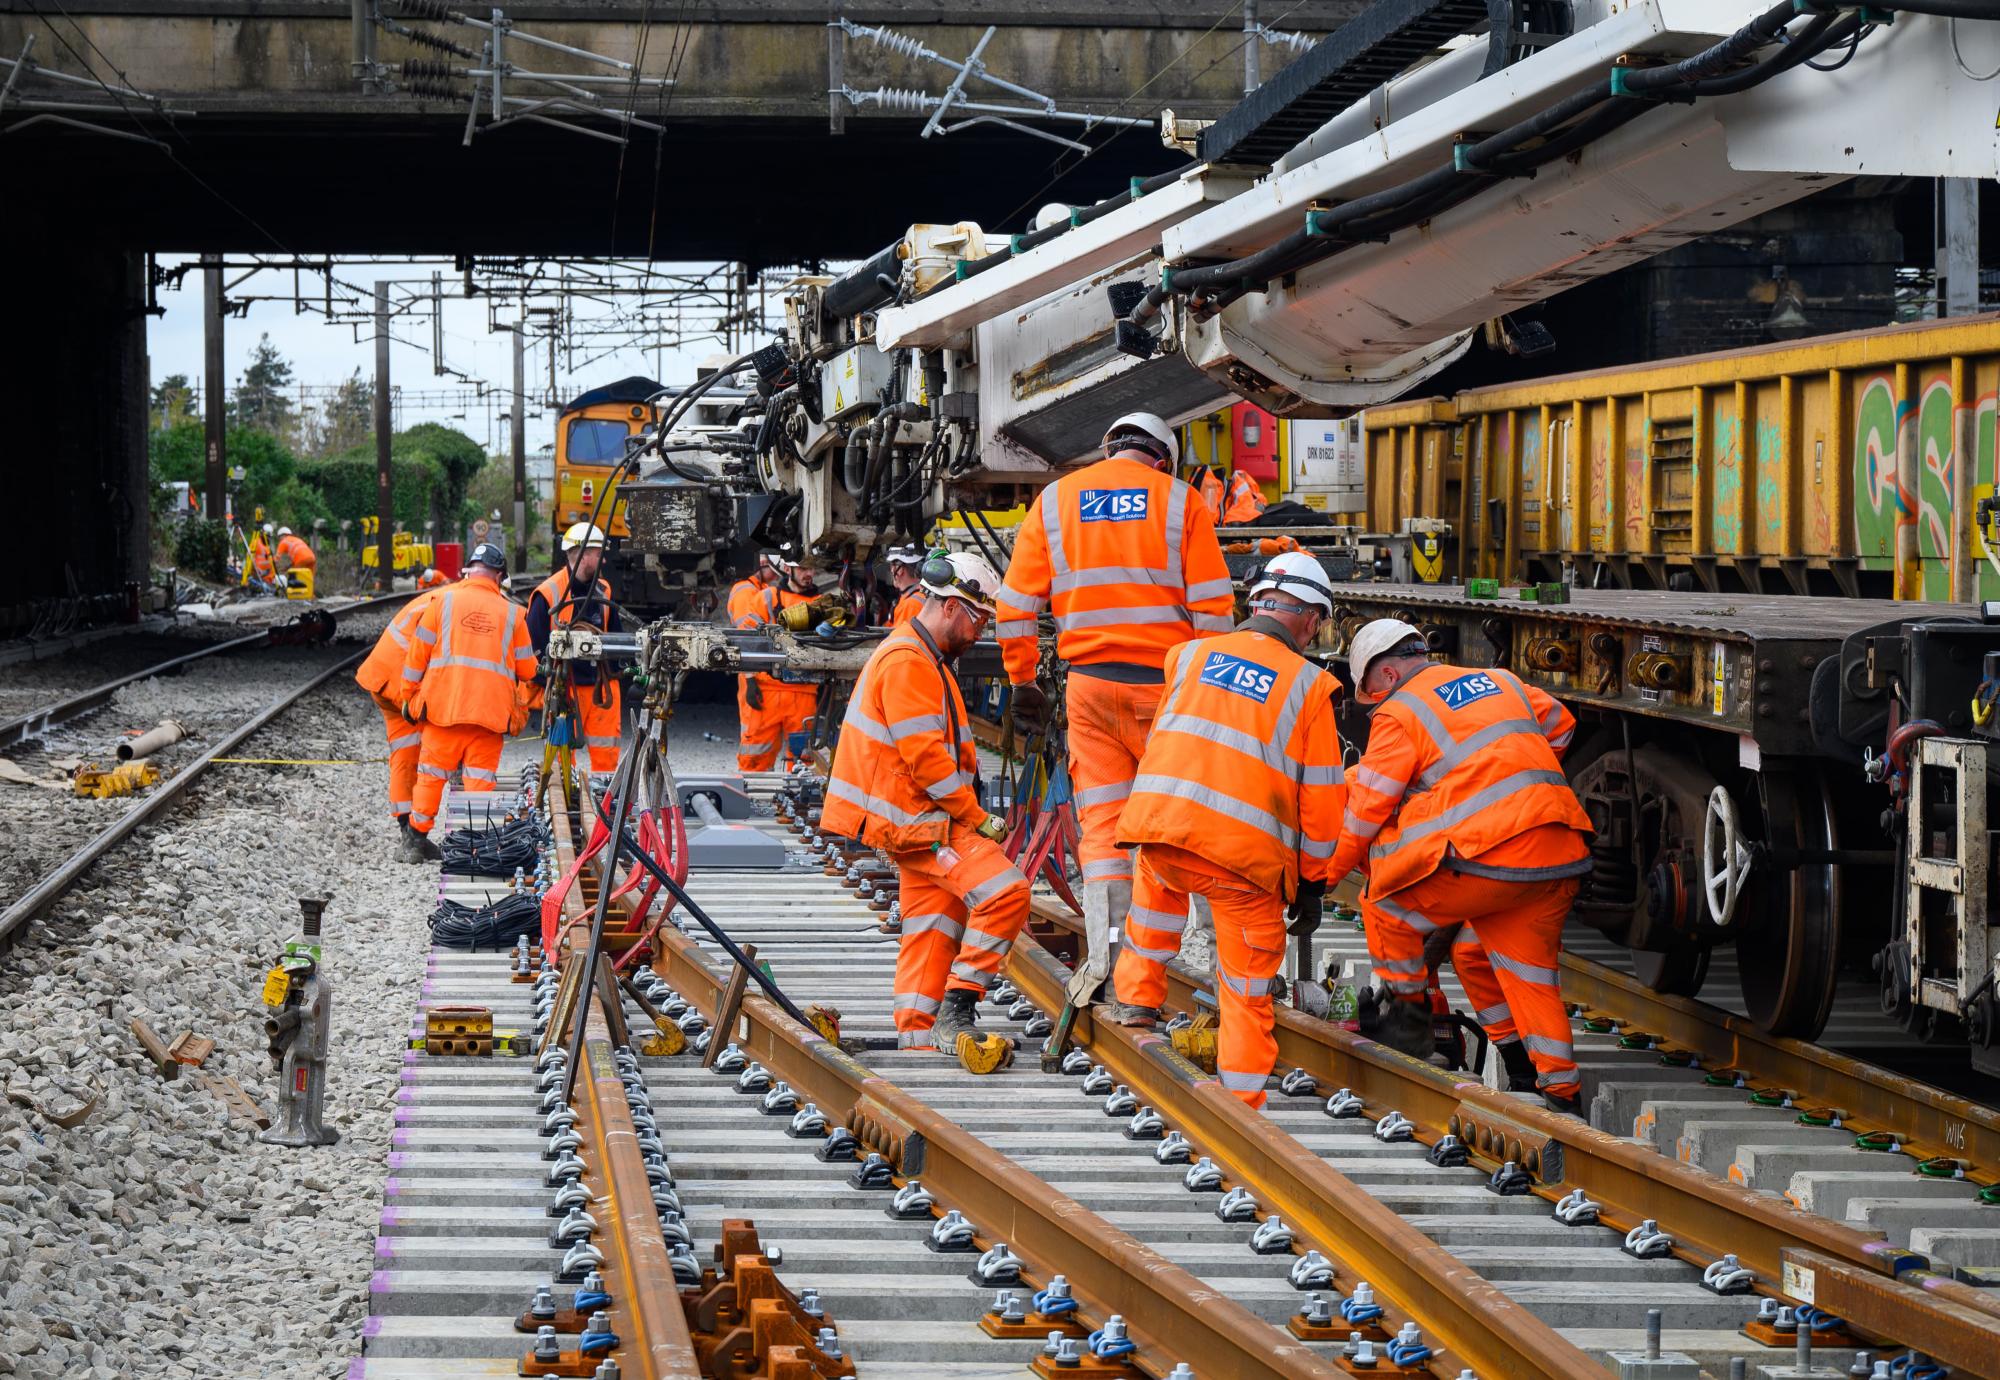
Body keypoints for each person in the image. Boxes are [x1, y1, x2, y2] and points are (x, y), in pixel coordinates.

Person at [995, 410, 1234, 1012]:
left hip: (1090, 690)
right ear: (1162, 457)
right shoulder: (1182, 503)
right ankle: (1202, 951)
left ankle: (1107, 955)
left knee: (1103, 828)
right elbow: (1211, 613)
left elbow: (1016, 604)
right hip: (1168, 691)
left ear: (1110, 449)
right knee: (1185, 817)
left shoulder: (1055, 501)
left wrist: (1023, 679)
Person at [1327, 619, 1594, 1113]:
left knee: (1385, 904)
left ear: (1386, 674)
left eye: (1372, 695)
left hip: (1491, 854)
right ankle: (1552, 1089)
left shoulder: (1400, 712)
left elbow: (1368, 808)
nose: (1376, 706)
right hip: (1558, 850)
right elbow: (1561, 726)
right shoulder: (1501, 680)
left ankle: (1407, 1019)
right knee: (1497, 962)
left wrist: (1323, 876)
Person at [1109, 552, 1347, 1107]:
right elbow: (1322, 805)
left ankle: (1137, 1000)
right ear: (1310, 619)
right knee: (1245, 986)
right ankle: (1241, 1104)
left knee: (1155, 896)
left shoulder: (1188, 657)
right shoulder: (1310, 688)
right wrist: (1311, 884)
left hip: (1160, 833)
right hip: (1241, 866)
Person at [823, 551, 1029, 1072]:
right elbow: (926, 759)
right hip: (921, 821)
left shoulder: (919, 657)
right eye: (978, 619)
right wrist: (975, 817)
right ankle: (957, 1008)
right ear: (952, 606)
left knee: (934, 926)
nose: (980, 632)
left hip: (913, 821)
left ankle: (919, 1033)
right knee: (1005, 893)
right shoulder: (909, 662)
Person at [400, 542, 538, 857]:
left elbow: (416, 657)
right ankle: (470, 848)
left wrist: (409, 696)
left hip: (442, 709)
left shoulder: (441, 602)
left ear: (469, 570)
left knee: (431, 777)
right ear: (500, 576)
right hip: (489, 716)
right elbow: (529, 670)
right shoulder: (515, 615)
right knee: (479, 782)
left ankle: (415, 842)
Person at [353, 578, 453, 862]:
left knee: (405, 755)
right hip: (402, 684)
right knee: (434, 756)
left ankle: (409, 836)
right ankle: (415, 836)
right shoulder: (451, 606)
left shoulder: (444, 597)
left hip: (384, 680)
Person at [528, 523, 622, 774]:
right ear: (581, 553)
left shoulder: (605, 589)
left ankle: (605, 806)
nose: (602, 561)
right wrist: (544, 686)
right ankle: (565, 808)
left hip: (600, 687)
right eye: (598, 553)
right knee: (561, 760)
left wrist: (621, 672)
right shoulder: (548, 594)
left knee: (607, 756)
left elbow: (616, 638)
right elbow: (534, 648)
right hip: (565, 688)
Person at [740, 555, 844, 771]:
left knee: (803, 761)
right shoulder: (767, 598)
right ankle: (751, 801)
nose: (809, 574)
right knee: (755, 755)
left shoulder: (821, 603)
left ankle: (796, 805)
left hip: (803, 692)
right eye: (803, 568)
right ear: (788, 569)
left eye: (812, 568)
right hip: (766, 691)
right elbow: (747, 639)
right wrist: (750, 681)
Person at [726, 552, 782, 770]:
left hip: (758, 671)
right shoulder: (745, 592)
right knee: (753, 733)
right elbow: (745, 639)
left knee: (763, 735)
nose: (776, 576)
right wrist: (750, 680)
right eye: (773, 570)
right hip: (752, 672)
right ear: (762, 566)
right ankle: (749, 782)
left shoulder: (757, 590)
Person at [885, 543, 925, 627]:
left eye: (892, 565)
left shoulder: (911, 605)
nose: (891, 570)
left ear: (900, 570)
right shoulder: (911, 596)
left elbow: (896, 638)